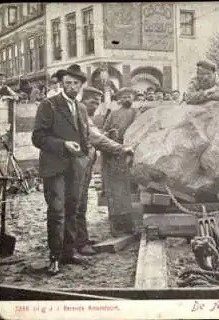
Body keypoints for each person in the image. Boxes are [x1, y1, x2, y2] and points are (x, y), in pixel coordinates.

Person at [32, 64, 91, 275]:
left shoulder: (82, 108)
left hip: (75, 167)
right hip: (54, 167)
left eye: (76, 83)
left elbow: (85, 136)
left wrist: (85, 156)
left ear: (81, 84)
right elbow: (38, 138)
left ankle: (70, 252)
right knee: (57, 212)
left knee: (72, 209)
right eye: (68, 83)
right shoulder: (49, 105)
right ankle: (55, 257)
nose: (72, 87)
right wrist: (63, 144)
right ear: (61, 84)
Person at [76, 86, 134, 255]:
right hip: (77, 165)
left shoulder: (87, 116)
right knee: (76, 204)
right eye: (91, 101)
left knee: (81, 204)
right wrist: (120, 148)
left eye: (97, 102)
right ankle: (75, 244)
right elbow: (95, 137)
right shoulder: (80, 115)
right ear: (83, 100)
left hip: (85, 165)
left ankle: (81, 240)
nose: (95, 105)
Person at [102, 87, 139, 236]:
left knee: (130, 191)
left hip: (132, 156)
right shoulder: (113, 114)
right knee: (116, 191)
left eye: (129, 96)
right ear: (119, 100)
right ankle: (116, 226)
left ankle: (131, 225)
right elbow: (103, 133)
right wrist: (110, 134)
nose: (127, 99)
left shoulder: (137, 113)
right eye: (124, 97)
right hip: (115, 156)